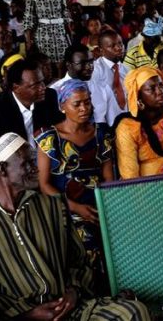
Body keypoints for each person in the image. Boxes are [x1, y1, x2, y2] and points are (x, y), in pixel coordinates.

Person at [0, 134, 152, 318]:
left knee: (132, 312)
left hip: (69, 308)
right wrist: (27, 315)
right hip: (21, 318)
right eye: (28, 163)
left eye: (34, 161)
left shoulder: (52, 206)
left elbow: (79, 262)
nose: (36, 168)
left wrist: (73, 292)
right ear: (3, 170)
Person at [36, 78, 113, 275]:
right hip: (65, 208)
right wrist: (77, 207)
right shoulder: (49, 139)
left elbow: (108, 178)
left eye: (87, 102)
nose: (84, 108)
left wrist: (107, 208)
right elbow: (44, 185)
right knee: (84, 244)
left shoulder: (100, 134)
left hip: (99, 205)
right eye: (76, 104)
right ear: (63, 106)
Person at [115, 65, 163, 178]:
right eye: (151, 89)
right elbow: (129, 172)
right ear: (139, 96)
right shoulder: (128, 125)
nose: (160, 91)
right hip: (144, 188)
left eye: (161, 85)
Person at [23, 0, 70, 66]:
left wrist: (70, 30)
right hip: (43, 34)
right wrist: (28, 42)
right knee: (46, 63)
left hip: (60, 32)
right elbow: (28, 18)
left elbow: (65, 11)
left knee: (62, 63)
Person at [88, 29, 129, 128]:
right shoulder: (96, 71)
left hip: (128, 120)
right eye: (112, 46)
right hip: (107, 124)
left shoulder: (126, 70)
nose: (119, 48)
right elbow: (97, 104)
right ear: (101, 50)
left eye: (120, 43)